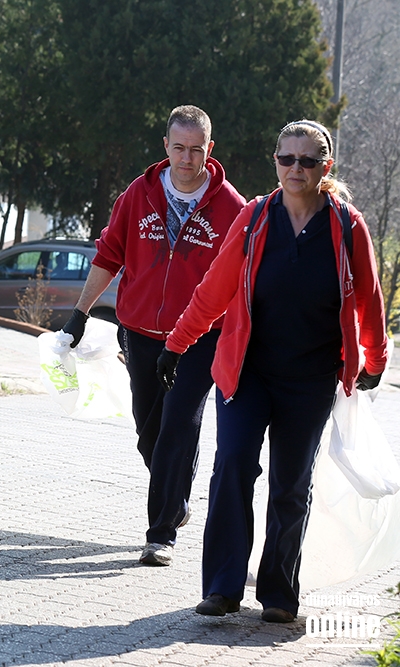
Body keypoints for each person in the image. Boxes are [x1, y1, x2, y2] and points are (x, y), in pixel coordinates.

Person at [159, 120, 388, 622]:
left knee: (291, 483)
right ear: (276, 162)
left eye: (307, 160)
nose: (295, 169)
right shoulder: (256, 217)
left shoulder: (347, 226)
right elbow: (214, 289)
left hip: (311, 379)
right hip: (248, 371)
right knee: (233, 464)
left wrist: (374, 360)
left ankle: (280, 594)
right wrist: (176, 344)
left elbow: (369, 302)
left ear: (325, 167)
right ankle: (222, 588)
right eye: (287, 159)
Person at [60, 106, 246, 567]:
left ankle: (160, 534)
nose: (187, 158)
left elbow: (242, 279)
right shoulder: (138, 194)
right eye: (179, 148)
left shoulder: (231, 208)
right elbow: (109, 256)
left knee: (178, 426)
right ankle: (175, 498)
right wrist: (80, 313)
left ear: (210, 149)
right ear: (166, 145)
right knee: (149, 432)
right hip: (140, 333)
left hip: (199, 337)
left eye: (196, 150)